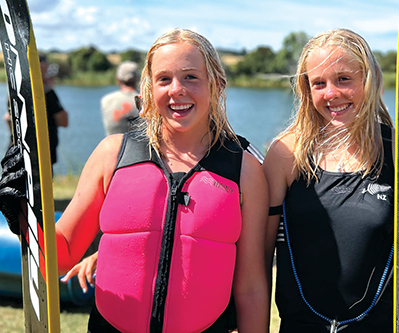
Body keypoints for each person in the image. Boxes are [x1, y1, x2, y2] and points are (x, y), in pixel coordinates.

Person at [0, 28, 269, 333]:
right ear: (149, 88)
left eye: (191, 77)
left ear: (217, 85)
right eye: (164, 79)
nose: (176, 89)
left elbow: (251, 287)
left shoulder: (244, 171)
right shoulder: (112, 155)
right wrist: (21, 209)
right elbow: (61, 257)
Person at [262, 29, 394, 332]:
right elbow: (258, 262)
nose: (331, 93)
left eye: (344, 79)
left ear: (370, 78)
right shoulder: (286, 154)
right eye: (319, 83)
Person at [3, 54, 68, 166]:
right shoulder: (47, 93)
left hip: (16, 153)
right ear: (41, 67)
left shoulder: (15, 91)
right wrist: (49, 89)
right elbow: (64, 121)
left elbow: (8, 119)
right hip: (40, 156)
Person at [100, 61, 141, 135]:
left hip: (112, 145)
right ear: (138, 79)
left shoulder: (106, 100)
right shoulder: (145, 100)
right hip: (139, 146)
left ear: (118, 79)